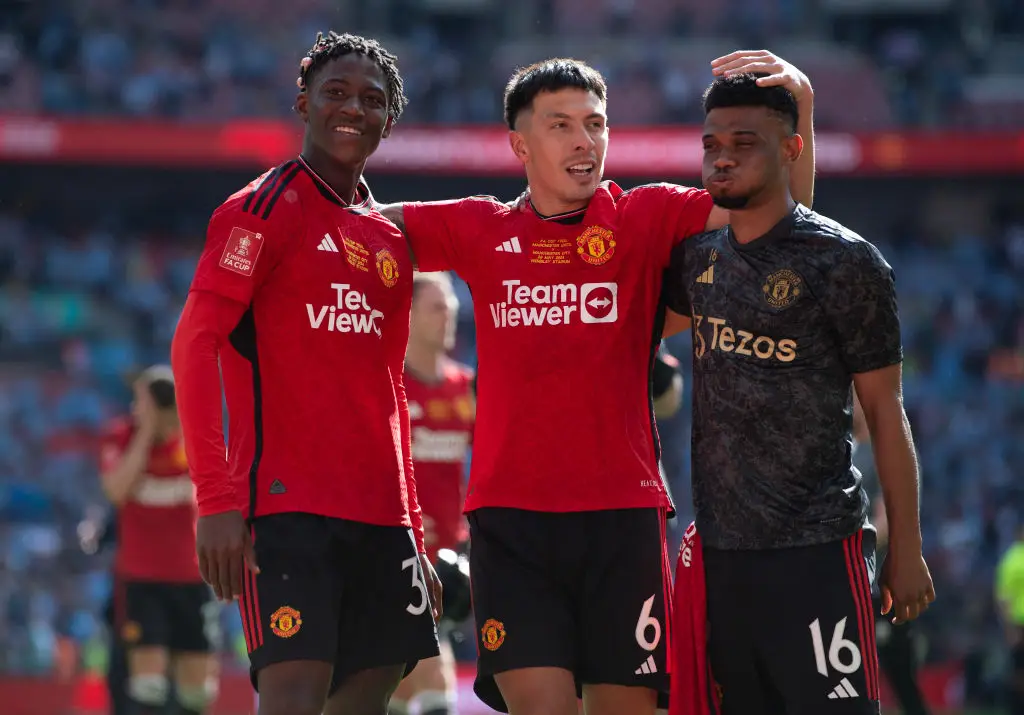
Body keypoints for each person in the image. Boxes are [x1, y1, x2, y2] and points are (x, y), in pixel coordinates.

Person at [375, 50, 817, 715]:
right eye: (561, 125)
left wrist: (801, 108)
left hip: (622, 520)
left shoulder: (646, 216)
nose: (585, 140)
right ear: (520, 145)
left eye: (596, 123)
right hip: (511, 525)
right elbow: (360, 229)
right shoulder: (480, 228)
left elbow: (781, 223)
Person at [169, 31, 440, 715]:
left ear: (389, 120)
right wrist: (215, 500)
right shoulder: (260, 210)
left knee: (368, 701)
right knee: (292, 696)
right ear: (303, 103)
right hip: (287, 512)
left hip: (382, 518)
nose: (352, 108)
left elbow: (389, 390)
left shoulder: (388, 237)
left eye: (371, 99)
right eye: (335, 92)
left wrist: (413, 526)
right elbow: (195, 345)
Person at [661, 73, 935, 715]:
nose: (722, 158)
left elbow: (885, 412)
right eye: (711, 144)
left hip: (818, 554)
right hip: (722, 561)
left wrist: (908, 548)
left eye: (744, 143)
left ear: (791, 149)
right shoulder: (697, 261)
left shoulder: (847, 262)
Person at [98, 367, 220, 715]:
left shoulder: (196, 438)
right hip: (141, 578)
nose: (137, 408)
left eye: (144, 400)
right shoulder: (120, 436)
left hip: (191, 576)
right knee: (147, 687)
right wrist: (147, 433)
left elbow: (218, 494)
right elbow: (116, 491)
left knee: (198, 693)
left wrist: (180, 426)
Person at [391, 271, 475, 715]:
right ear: (407, 315)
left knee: (403, 685)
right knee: (427, 677)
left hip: (445, 559)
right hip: (394, 553)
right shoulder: (388, 386)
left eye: (452, 308)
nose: (449, 316)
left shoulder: (467, 388)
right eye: (438, 307)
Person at [853, 397, 932, 715]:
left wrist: (843, 545)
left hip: (882, 586)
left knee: (899, 676)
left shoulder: (885, 452)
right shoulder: (846, 450)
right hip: (855, 583)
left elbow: (885, 524)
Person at [996, 525, 1024, 715]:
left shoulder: (1010, 559)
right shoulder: (1012, 559)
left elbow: (1003, 597)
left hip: (1017, 624)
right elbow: (1004, 597)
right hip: (1019, 624)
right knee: (1019, 671)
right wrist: (1009, 628)